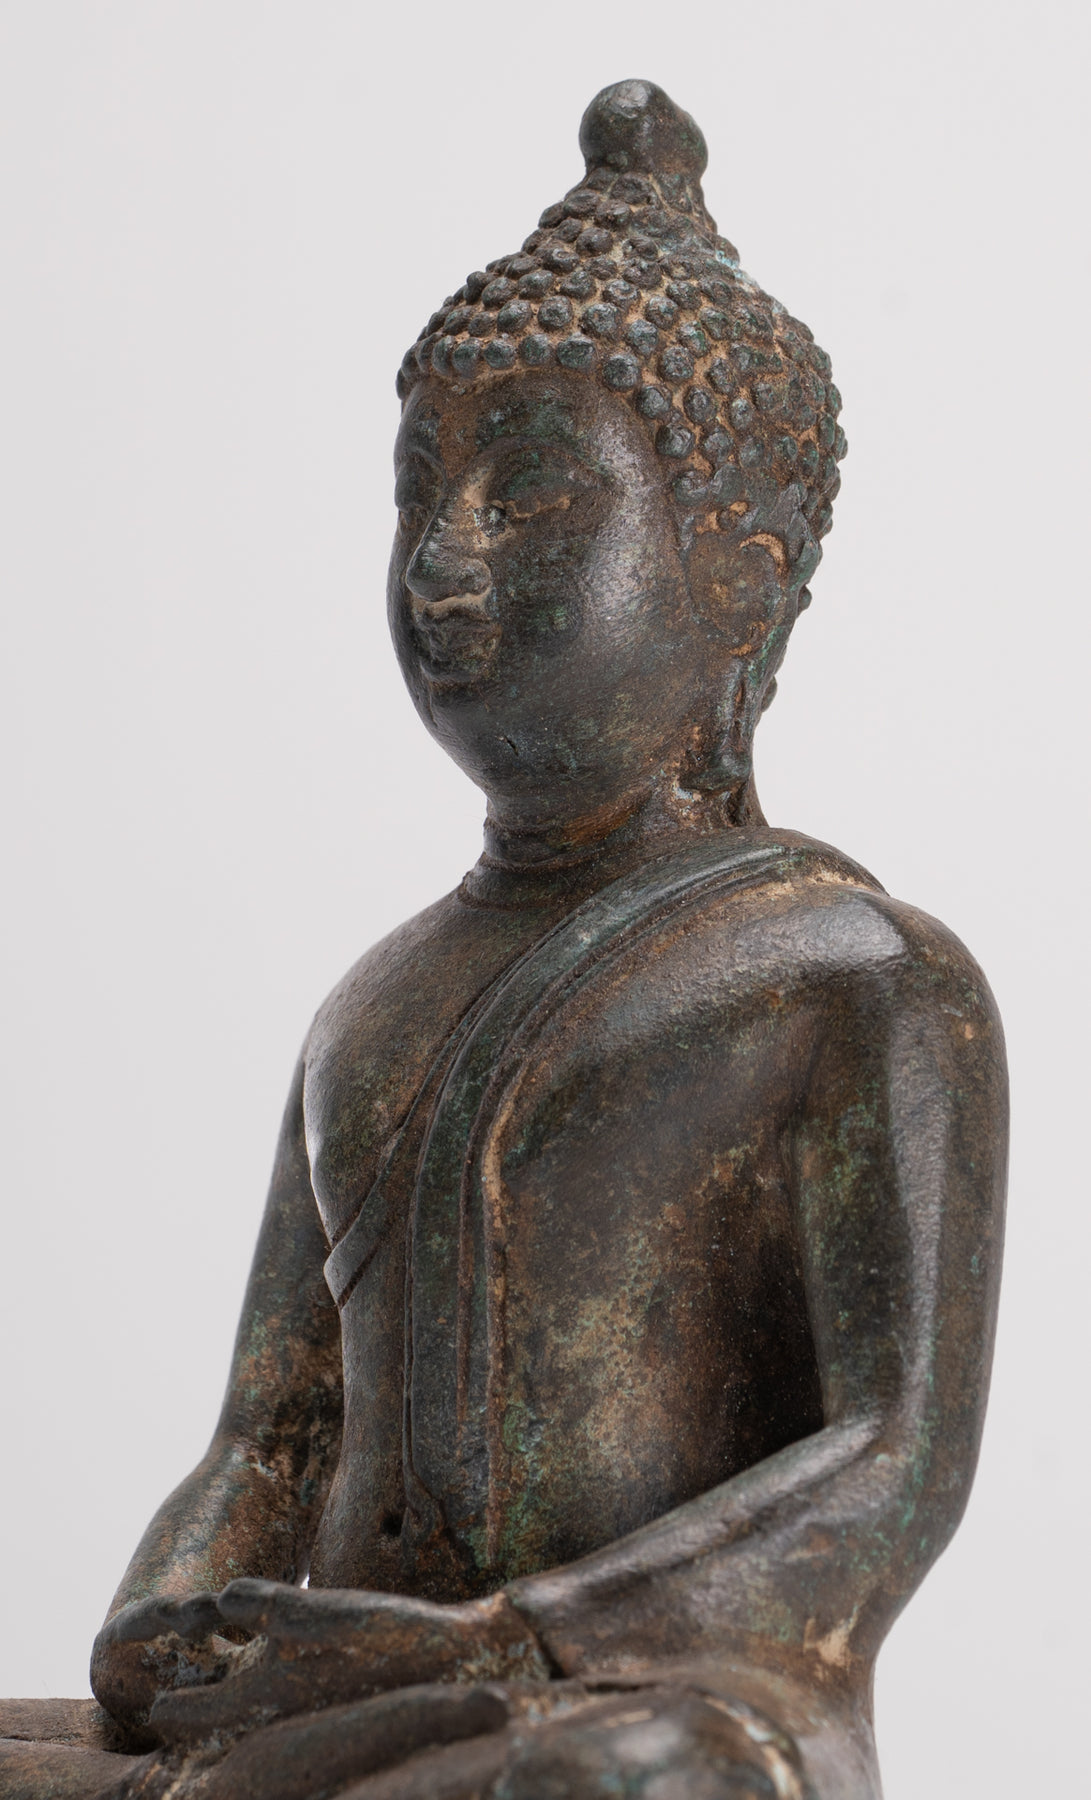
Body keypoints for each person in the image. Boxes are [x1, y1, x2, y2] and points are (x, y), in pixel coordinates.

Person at [1, 81, 1006, 1800]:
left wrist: (502, 1641)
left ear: (741, 573)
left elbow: (886, 1468)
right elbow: (269, 1435)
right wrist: (166, 1624)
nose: (445, 561)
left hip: (642, 1692)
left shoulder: (858, 979)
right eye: (421, 492)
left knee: (636, 1775)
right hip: (333, 1704)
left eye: (533, 500)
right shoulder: (368, 1009)